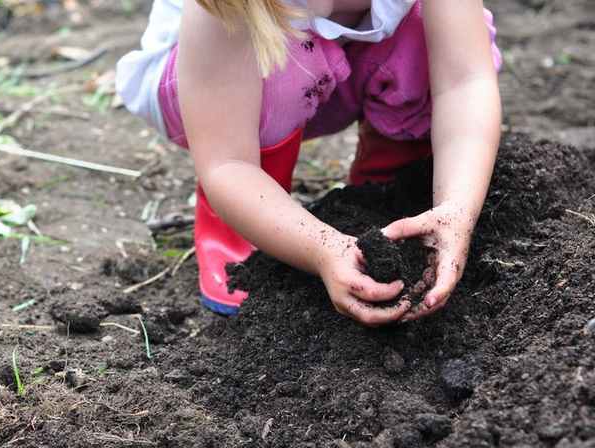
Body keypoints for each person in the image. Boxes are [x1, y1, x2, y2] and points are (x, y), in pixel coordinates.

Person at [116, 0, 502, 325]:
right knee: (280, 52)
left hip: (338, 70)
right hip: (216, 95)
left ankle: (387, 197)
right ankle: (244, 235)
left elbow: (465, 81)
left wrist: (457, 208)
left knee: (430, 39)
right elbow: (228, 164)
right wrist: (321, 249)